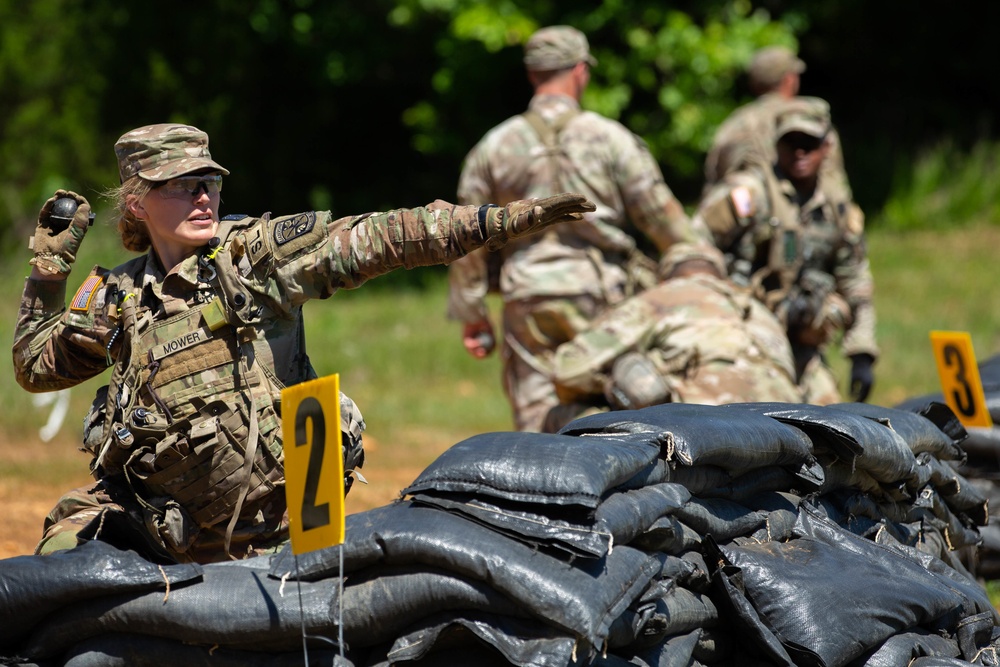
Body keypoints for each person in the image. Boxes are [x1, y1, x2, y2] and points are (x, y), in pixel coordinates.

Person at [13, 122, 594, 564]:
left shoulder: (254, 258)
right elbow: (36, 367)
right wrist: (48, 271)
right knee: (61, 549)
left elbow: (380, 237)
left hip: (279, 523)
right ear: (138, 201)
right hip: (167, 531)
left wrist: (497, 223)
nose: (203, 197)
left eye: (209, 181)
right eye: (180, 186)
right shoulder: (117, 296)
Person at [447, 25, 709, 432]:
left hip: (527, 295)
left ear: (533, 74)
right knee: (613, 409)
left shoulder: (493, 146)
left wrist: (473, 313)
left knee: (536, 422)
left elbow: (466, 235)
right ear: (581, 71)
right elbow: (661, 217)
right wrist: (700, 275)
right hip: (602, 293)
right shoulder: (611, 139)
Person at [694, 100, 878, 405]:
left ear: (827, 146)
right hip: (744, 333)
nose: (800, 152)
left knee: (832, 418)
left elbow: (856, 281)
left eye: (809, 143)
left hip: (802, 341)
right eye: (790, 143)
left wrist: (862, 354)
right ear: (776, 145)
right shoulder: (750, 191)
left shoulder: (837, 208)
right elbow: (695, 242)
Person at [544, 244, 803, 432]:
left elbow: (568, 371)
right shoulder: (761, 311)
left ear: (666, 276)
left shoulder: (663, 296)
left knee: (562, 416)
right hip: (786, 430)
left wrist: (613, 385)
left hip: (704, 430)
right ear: (719, 275)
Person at [702, 45, 852, 204]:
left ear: (755, 84)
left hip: (743, 219)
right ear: (790, 79)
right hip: (806, 220)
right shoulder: (810, 118)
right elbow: (835, 182)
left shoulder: (733, 124)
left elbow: (713, 183)